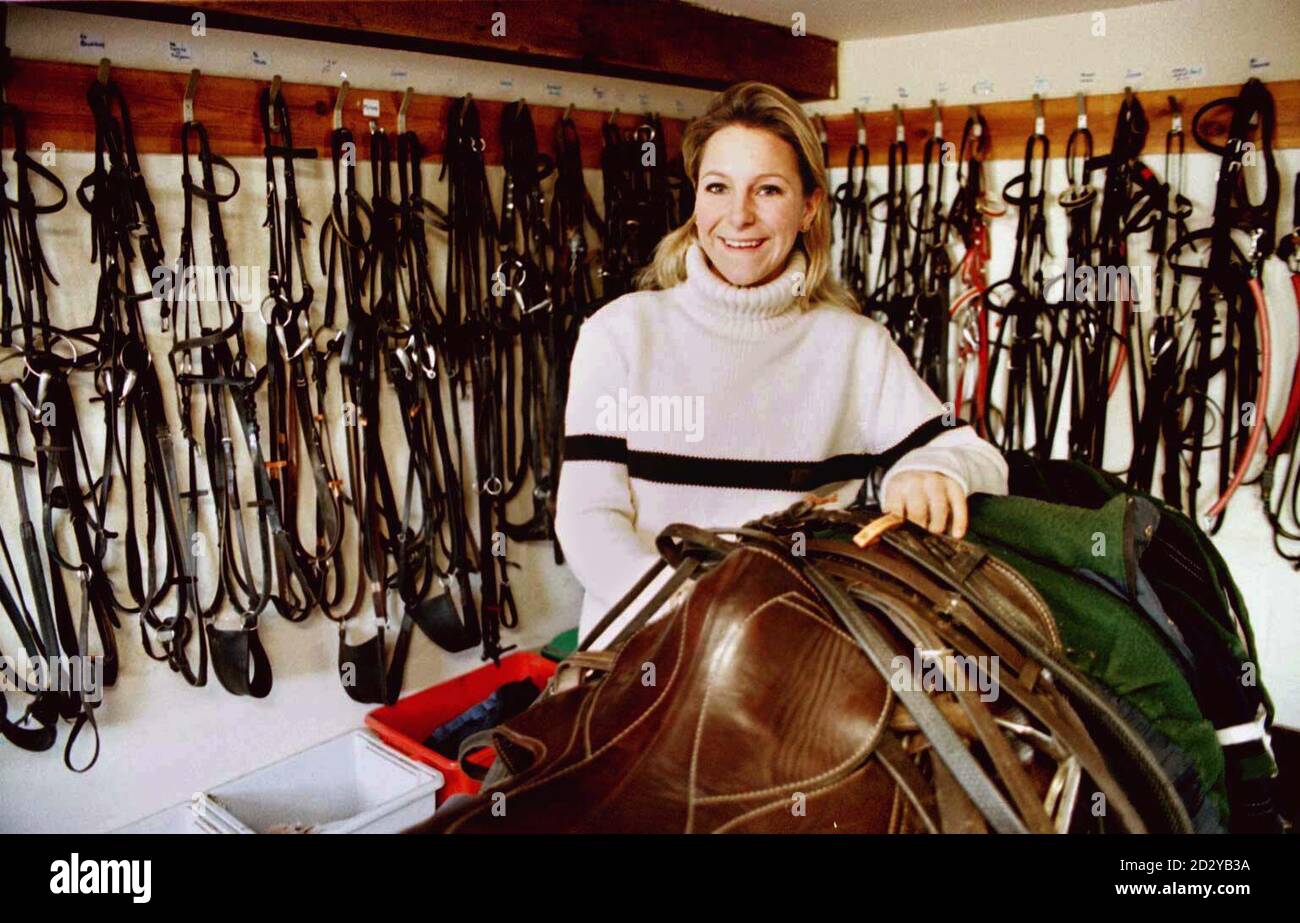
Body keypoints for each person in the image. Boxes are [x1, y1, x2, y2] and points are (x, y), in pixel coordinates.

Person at [556, 81, 1007, 648]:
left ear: (809, 207)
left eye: (767, 190)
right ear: (696, 199)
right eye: (718, 188)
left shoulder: (854, 347)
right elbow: (587, 518)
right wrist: (699, 618)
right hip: (644, 655)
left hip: (799, 662)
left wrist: (935, 469)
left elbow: (979, 457)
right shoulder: (619, 334)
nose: (738, 216)